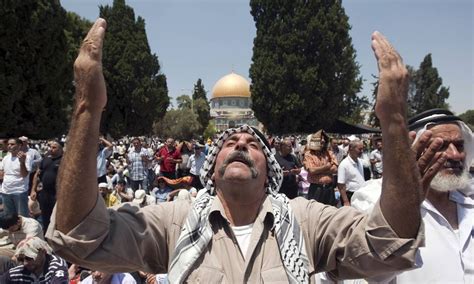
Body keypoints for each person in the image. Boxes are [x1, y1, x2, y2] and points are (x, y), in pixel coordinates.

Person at [46, 20, 443, 282]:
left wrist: (392, 118)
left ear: (268, 169)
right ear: (212, 168)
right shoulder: (175, 221)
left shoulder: (304, 221)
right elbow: (81, 235)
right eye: (229, 143)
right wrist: (86, 108)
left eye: (252, 143)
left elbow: (387, 246)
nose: (239, 143)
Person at [351, 109, 474, 283]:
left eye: (459, 145)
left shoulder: (469, 201)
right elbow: (367, 272)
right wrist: (404, 203)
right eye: (440, 146)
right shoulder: (373, 200)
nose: (454, 155)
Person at [0, 237, 69, 283]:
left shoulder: (56, 267)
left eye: (29, 258)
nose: (25, 263)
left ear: (43, 252)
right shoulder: (21, 269)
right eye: (21, 259)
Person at [30, 140, 63, 234]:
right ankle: (46, 236)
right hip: (44, 193)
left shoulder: (64, 160)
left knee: (57, 217)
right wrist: (33, 190)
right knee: (45, 216)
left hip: (57, 194)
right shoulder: (45, 160)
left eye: (54, 147)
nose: (51, 149)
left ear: (61, 149)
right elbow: (37, 175)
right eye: (50, 147)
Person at [303, 129, 338, 205]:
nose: (323, 141)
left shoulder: (329, 153)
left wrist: (319, 170)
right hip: (316, 189)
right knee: (315, 212)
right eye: (320, 139)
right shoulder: (309, 154)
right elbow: (312, 170)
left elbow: (335, 169)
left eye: (324, 139)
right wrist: (327, 167)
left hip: (329, 189)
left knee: (330, 212)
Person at [0, 138, 32, 217]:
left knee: (22, 218)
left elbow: (24, 174)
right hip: (6, 191)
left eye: (12, 144)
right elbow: (2, 173)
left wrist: (22, 163)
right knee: (9, 218)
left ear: (19, 145)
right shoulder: (6, 158)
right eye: (8, 144)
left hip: (19, 192)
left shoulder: (27, 157)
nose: (9, 146)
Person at [337, 140, 365, 206]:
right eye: (359, 149)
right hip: (350, 195)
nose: (362, 151)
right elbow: (341, 185)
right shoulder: (344, 164)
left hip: (360, 194)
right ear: (351, 149)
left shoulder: (360, 162)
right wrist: (346, 201)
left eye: (362, 149)